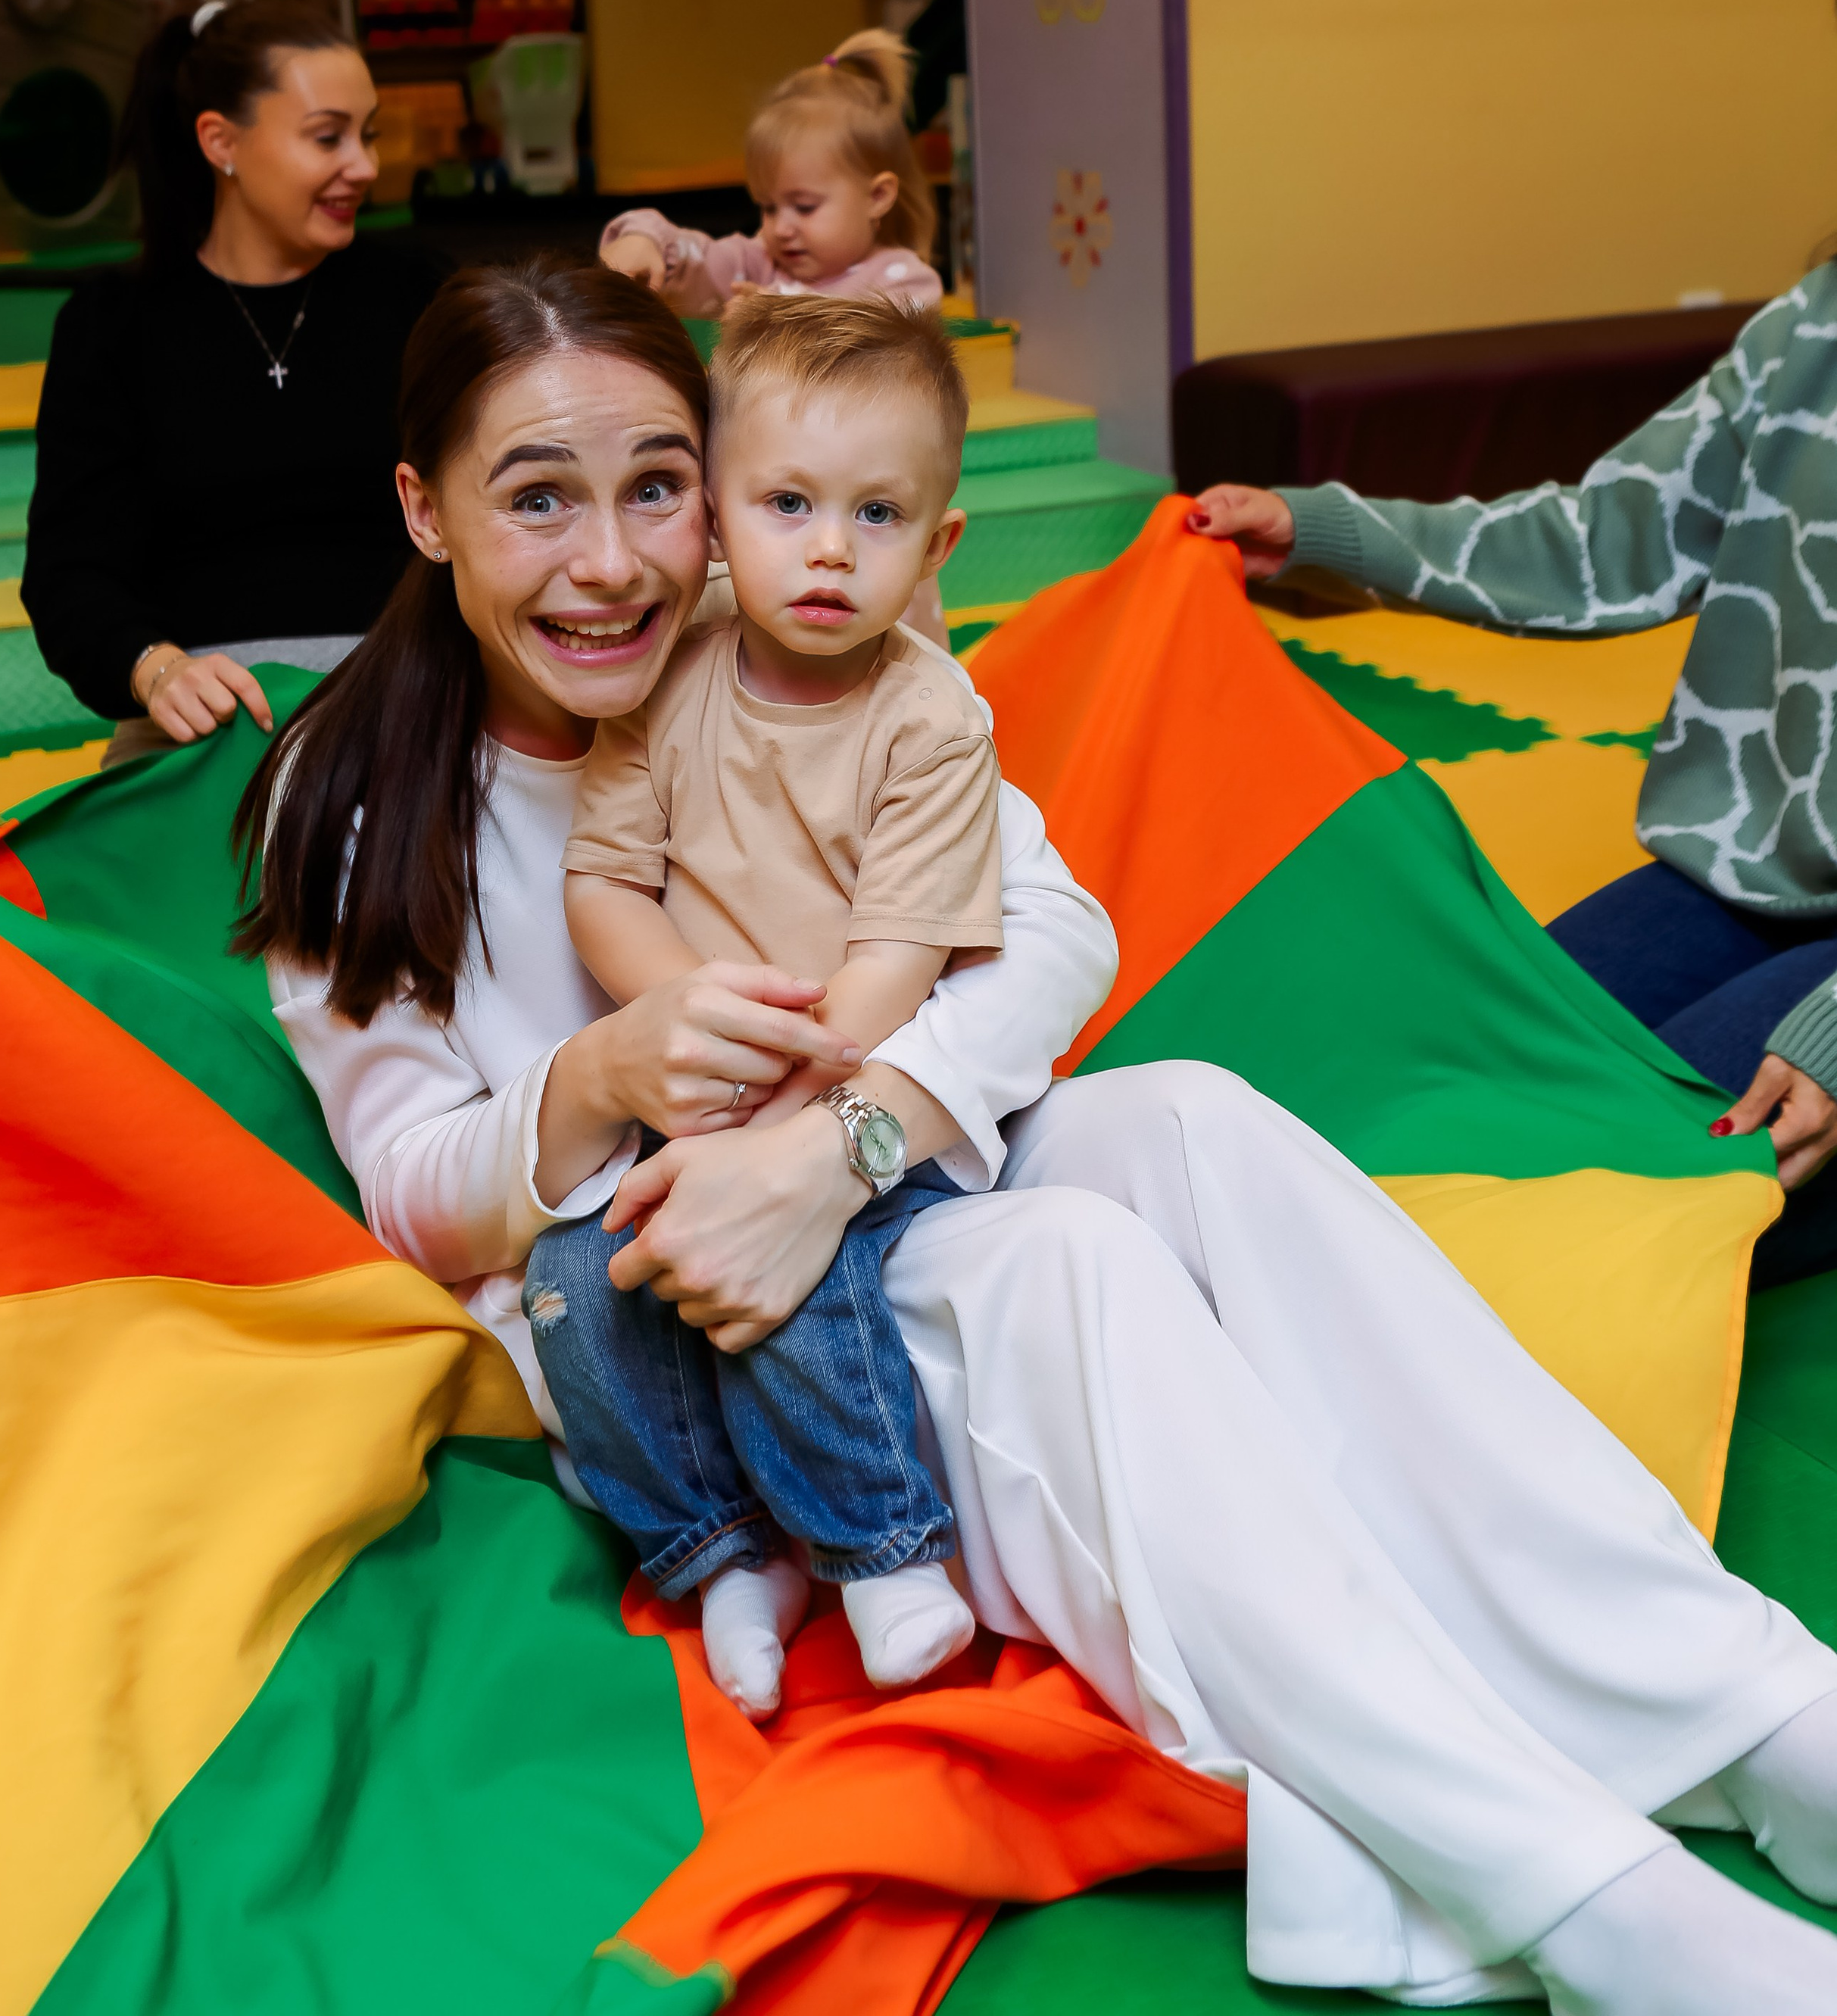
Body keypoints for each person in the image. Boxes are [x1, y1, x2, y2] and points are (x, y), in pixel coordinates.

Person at [241, 255, 1837, 2013]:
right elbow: (409, 1181)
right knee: (1065, 1257)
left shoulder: (793, 657)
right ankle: (1558, 1882)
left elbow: (1055, 922)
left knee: (1195, 1122)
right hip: (686, 1322)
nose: (611, 559)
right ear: (425, 506)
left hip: (869, 1176)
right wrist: (603, 1075)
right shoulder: (351, 794)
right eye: (536, 497)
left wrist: (842, 1133)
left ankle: (1733, 1703)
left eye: (656, 487)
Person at [1187, 266, 1837, 1283]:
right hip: (1754, 874)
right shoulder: (1813, 325)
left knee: (1613, 1198)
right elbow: (1603, 539)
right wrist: (1322, 528)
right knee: (1461, 1078)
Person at [552, 294, 993, 1715]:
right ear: (721, 515)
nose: (825, 549)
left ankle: (882, 1551)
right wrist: (696, 1024)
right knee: (574, 1289)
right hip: (702, 1087)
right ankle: (728, 1550)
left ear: (939, 548)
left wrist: (788, 1099)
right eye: (789, 503)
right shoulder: (670, 677)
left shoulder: (931, 720)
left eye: (878, 519)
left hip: (851, 1105)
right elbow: (606, 883)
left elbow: (896, 958)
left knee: (797, 1275)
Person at [23, 0, 438, 766]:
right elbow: (69, 574)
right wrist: (157, 670)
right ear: (222, 142)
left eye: (369, 134)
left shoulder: (417, 294)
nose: (367, 166)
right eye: (328, 137)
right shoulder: (112, 324)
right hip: (204, 726)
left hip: (403, 701)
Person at [598, 29, 942, 320]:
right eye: (768, 207)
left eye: (805, 207)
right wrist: (646, 240)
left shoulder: (906, 283)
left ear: (877, 197)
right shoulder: (758, 260)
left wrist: (780, 317)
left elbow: (876, 347)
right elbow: (695, 259)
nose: (780, 229)